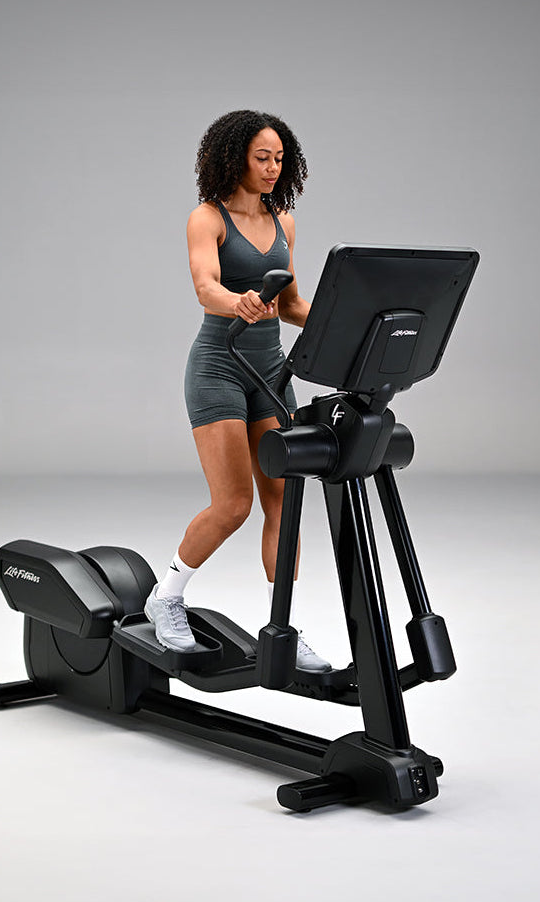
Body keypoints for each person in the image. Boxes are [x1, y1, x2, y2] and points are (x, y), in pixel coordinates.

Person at [144, 110, 331, 673]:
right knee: (233, 505)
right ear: (235, 158)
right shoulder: (207, 218)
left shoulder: (285, 221)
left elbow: (293, 304)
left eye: (279, 158)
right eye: (261, 158)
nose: (273, 169)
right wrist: (238, 301)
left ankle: (283, 628)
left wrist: (344, 321)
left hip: (271, 371)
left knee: (284, 503)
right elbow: (206, 287)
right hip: (219, 366)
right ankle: (167, 597)